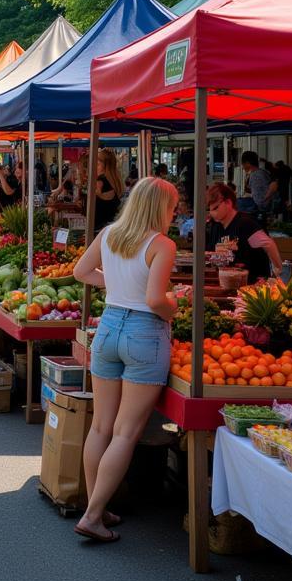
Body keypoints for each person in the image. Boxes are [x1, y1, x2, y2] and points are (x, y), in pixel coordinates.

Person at [72, 177, 180, 543]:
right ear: (160, 208)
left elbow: (81, 272)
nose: (175, 212)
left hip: (108, 328)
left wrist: (116, 285)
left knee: (100, 427)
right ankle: (91, 515)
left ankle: (96, 508)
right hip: (144, 334)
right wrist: (176, 304)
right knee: (126, 432)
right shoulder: (161, 244)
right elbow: (155, 301)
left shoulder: (109, 234)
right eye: (173, 206)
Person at [206, 182, 282, 283]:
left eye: (215, 208)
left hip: (252, 285)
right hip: (227, 283)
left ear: (228, 203)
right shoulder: (216, 227)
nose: (212, 213)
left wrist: (276, 272)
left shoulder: (246, 224)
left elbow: (268, 245)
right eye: (209, 209)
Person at [95, 148, 124, 229]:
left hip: (101, 228)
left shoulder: (100, 181)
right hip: (113, 226)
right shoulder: (114, 181)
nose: (94, 167)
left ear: (105, 166)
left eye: (97, 164)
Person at [238, 151, 274, 216]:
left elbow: (259, 201)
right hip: (263, 208)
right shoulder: (260, 172)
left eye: (243, 164)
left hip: (261, 211)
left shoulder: (256, 175)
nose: (243, 167)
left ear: (247, 163)